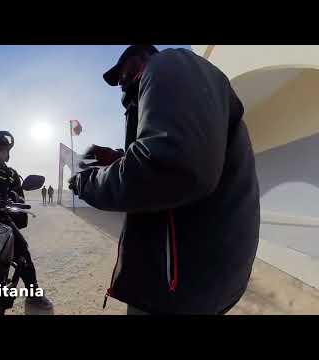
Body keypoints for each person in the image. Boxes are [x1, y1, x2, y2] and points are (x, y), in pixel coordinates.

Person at [69, 45, 260, 315]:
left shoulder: (169, 64)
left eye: (127, 70)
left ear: (145, 56)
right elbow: (169, 155)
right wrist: (118, 158)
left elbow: (168, 166)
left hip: (180, 288)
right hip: (188, 281)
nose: (122, 82)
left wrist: (85, 181)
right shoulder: (167, 87)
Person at [0, 131, 53, 313]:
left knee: (22, 250)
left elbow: (19, 197)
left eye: (4, 149)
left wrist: (13, 200)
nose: (1, 152)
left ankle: (33, 292)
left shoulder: (10, 174)